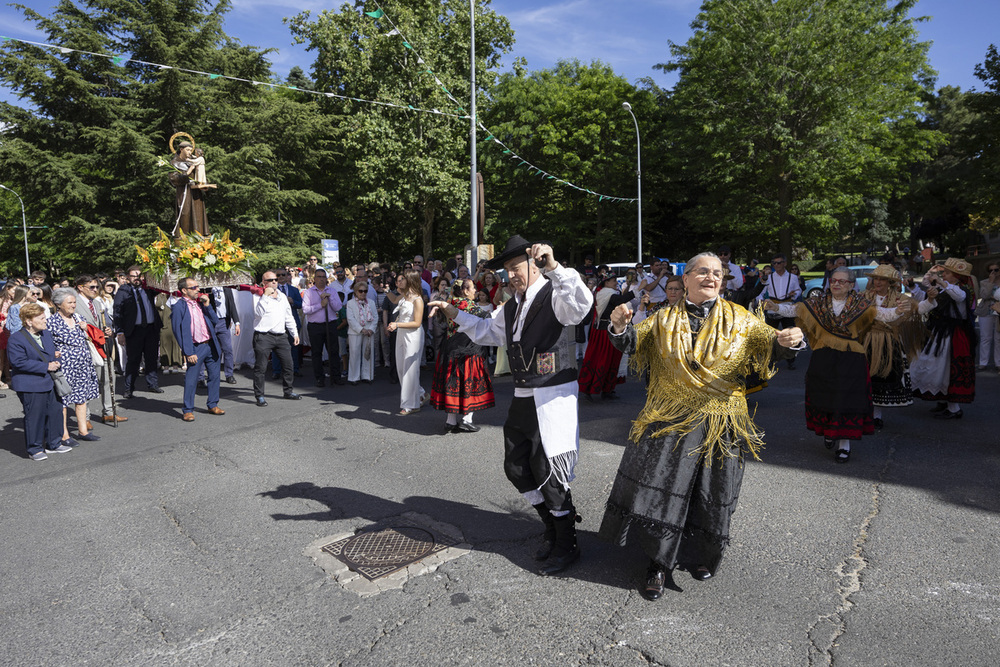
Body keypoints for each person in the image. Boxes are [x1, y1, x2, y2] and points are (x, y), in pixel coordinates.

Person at [600, 252, 804, 600]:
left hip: (721, 421)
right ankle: (657, 565)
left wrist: (789, 342)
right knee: (664, 492)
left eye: (718, 273)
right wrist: (619, 326)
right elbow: (633, 342)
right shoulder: (664, 318)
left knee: (712, 492)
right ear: (688, 278)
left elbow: (772, 342)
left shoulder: (740, 318)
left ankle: (701, 555)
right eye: (704, 272)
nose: (712, 278)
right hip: (670, 419)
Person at [430, 236, 593, 576]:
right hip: (522, 397)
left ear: (535, 264)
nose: (511, 276)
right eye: (507, 271)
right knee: (516, 467)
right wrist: (450, 310)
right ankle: (552, 526)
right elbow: (488, 331)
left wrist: (555, 267)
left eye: (516, 268)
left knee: (549, 473)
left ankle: (567, 543)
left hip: (551, 396)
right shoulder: (512, 304)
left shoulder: (555, 294)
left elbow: (581, 306)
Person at [765, 267, 906, 462]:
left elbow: (883, 314)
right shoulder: (818, 303)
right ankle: (829, 432)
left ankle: (844, 444)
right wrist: (775, 307)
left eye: (841, 281)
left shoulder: (861, 304)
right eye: (833, 280)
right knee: (824, 396)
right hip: (824, 357)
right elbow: (796, 309)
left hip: (851, 359)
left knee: (847, 399)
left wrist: (898, 311)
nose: (836, 284)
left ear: (850, 285)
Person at [908, 258, 977, 418]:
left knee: (946, 368)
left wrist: (939, 281)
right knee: (933, 366)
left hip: (952, 334)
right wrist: (912, 286)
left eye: (946, 273)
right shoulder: (944, 288)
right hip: (938, 331)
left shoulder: (963, 289)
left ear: (956, 276)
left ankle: (954, 408)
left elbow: (959, 297)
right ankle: (943, 401)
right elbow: (925, 300)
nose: (943, 275)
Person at [7, 303, 77, 459]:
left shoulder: (45, 334)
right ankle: (35, 449)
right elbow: (18, 362)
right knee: (35, 416)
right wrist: (46, 366)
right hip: (30, 383)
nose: (46, 321)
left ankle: (54, 443)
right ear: (29, 321)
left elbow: (47, 353)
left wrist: (54, 358)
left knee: (55, 412)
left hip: (50, 381)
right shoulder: (16, 339)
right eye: (41, 318)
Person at [861, 264, 923, 429]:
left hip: (888, 341)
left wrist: (930, 300)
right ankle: (865, 411)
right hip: (867, 339)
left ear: (890, 282)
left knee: (883, 376)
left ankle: (877, 415)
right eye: (876, 278)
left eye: (882, 279)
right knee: (864, 376)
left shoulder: (900, 298)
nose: (878, 282)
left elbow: (919, 309)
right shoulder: (865, 296)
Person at [429, 278, 495, 433]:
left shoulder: (452, 301)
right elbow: (487, 318)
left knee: (452, 382)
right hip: (467, 349)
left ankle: (450, 421)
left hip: (450, 347)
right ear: (465, 291)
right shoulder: (467, 304)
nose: (476, 291)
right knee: (468, 381)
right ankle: (466, 419)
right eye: (473, 288)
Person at [48, 288, 101, 441]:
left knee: (82, 397)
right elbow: (47, 343)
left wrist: (87, 330)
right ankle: (64, 434)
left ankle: (83, 431)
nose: (73, 305)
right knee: (64, 400)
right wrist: (54, 353)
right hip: (65, 365)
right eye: (69, 302)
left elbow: (92, 337)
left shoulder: (79, 318)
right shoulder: (52, 322)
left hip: (83, 363)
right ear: (59, 304)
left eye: (74, 302)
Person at [74, 275, 126, 424]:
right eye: (92, 287)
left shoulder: (96, 303)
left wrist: (108, 330)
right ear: (80, 287)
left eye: (97, 287)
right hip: (85, 346)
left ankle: (109, 411)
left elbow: (104, 323)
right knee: (89, 380)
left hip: (101, 345)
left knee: (108, 377)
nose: (95, 290)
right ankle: (86, 417)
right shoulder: (74, 303)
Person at [171, 277, 224, 421]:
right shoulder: (179, 306)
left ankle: (213, 404)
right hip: (195, 347)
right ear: (184, 290)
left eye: (197, 287)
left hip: (210, 344)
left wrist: (208, 305)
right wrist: (188, 352)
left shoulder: (201, 303)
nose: (198, 290)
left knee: (214, 376)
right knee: (191, 379)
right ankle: (188, 409)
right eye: (194, 288)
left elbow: (215, 321)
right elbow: (178, 331)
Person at [578, 274, 633, 400]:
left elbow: (620, 298)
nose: (615, 282)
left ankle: (608, 389)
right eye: (613, 280)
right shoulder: (604, 293)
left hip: (612, 330)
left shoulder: (611, 292)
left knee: (613, 360)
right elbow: (619, 300)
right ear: (606, 283)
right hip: (603, 332)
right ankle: (589, 389)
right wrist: (637, 290)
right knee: (600, 359)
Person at [251, 271, 301, 406]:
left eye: (276, 279)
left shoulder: (282, 296)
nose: (274, 281)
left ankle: (288, 391)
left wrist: (294, 333)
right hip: (263, 336)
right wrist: (265, 296)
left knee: (288, 364)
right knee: (261, 368)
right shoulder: (258, 296)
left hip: (281, 335)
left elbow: (288, 316)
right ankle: (259, 395)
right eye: (270, 280)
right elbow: (258, 313)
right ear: (263, 283)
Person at [113, 265, 163, 399]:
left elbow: (162, 284)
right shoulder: (124, 291)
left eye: (140, 276)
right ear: (128, 277)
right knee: (133, 360)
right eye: (134, 276)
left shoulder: (148, 289)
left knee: (151, 358)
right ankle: (129, 388)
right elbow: (117, 312)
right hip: (134, 330)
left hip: (150, 329)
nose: (137, 279)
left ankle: (152, 384)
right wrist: (120, 332)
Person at [387, 269, 426, 415]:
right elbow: (394, 300)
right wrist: (386, 290)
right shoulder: (404, 296)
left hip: (413, 335)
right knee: (402, 368)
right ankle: (420, 393)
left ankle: (412, 404)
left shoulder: (418, 300)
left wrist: (397, 325)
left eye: (403, 279)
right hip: (401, 333)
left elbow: (417, 323)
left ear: (410, 281)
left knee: (410, 369)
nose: (400, 281)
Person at [756, 253, 801, 369]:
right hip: (772, 308)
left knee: (790, 335)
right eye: (774, 263)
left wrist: (794, 295)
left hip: (787, 308)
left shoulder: (793, 277)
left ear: (785, 263)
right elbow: (760, 292)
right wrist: (761, 300)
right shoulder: (769, 278)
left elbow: (798, 291)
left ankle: (791, 359)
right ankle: (770, 360)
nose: (776, 265)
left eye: (779, 262)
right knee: (770, 336)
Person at [301, 268, 345, 387]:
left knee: (334, 352)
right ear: (314, 279)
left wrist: (329, 298)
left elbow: (338, 307)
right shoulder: (309, 292)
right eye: (319, 277)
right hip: (315, 326)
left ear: (326, 278)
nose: (321, 279)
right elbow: (305, 310)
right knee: (316, 353)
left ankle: (336, 376)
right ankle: (319, 378)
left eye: (323, 277)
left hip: (330, 324)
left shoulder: (332, 291)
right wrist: (320, 305)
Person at [169, 140, 209, 236]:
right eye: (187, 150)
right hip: (184, 193)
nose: (190, 152)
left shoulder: (195, 160)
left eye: (191, 150)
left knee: (198, 218)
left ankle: (200, 241)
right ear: (181, 149)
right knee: (185, 216)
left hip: (196, 194)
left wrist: (205, 185)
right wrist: (186, 173)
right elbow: (173, 179)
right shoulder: (175, 163)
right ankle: (184, 241)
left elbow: (201, 174)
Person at [272, 267, 303, 379]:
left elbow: (301, 304)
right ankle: (276, 370)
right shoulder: (272, 290)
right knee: (276, 348)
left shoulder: (294, 290)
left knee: (294, 347)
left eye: (283, 275)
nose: (281, 277)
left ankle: (295, 369)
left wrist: (293, 302)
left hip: (292, 322)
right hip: (277, 323)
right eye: (278, 275)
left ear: (287, 276)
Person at [346, 280, 377, 384]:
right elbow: (350, 319)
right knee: (354, 354)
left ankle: (367, 376)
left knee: (367, 354)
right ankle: (353, 377)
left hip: (369, 332)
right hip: (355, 332)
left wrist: (371, 329)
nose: (363, 293)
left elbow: (376, 317)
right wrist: (361, 329)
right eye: (360, 291)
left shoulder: (371, 302)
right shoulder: (350, 303)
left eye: (365, 291)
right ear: (355, 292)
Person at [975, 262, 1000, 371]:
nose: (993, 272)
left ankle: (998, 362)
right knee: (986, 337)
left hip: (998, 312)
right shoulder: (984, 282)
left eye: (996, 270)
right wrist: (990, 282)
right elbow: (984, 295)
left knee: (998, 338)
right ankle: (983, 362)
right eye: (991, 270)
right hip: (986, 311)